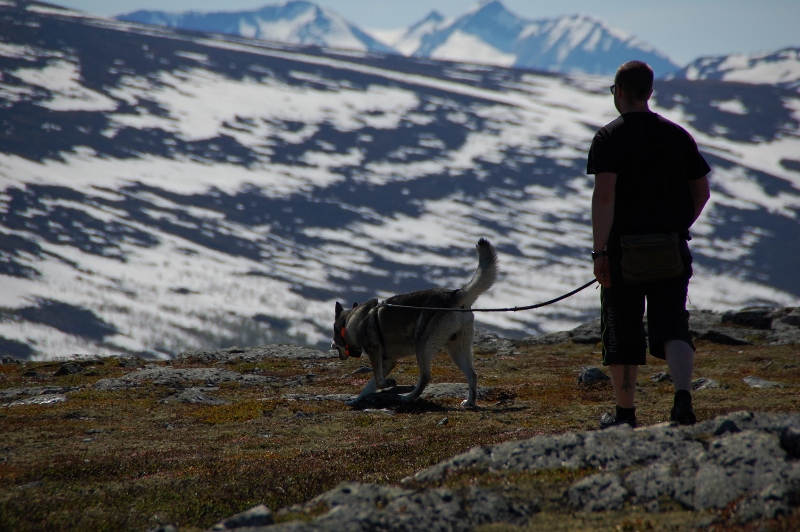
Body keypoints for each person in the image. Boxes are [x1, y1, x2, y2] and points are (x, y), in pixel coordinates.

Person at [587, 60, 711, 428]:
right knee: (673, 325)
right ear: (650, 92)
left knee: (622, 330)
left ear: (620, 91)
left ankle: (625, 416)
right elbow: (701, 192)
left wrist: (600, 252)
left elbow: (604, 196)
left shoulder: (608, 138)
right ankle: (682, 401)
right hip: (671, 250)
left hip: (623, 254)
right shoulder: (677, 135)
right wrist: (676, 227)